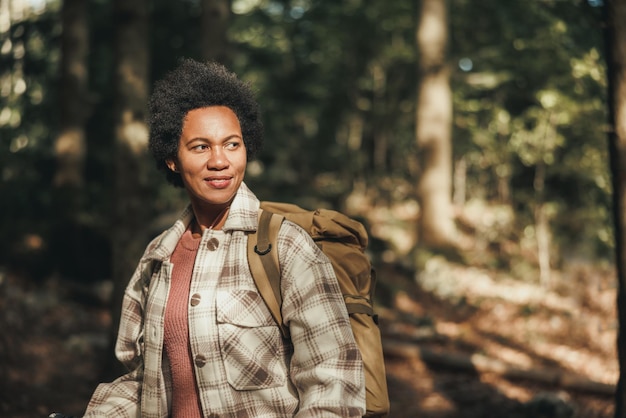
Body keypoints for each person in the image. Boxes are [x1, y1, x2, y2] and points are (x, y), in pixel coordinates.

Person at [69, 58, 365, 417]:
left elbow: (334, 385)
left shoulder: (286, 247)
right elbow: (142, 382)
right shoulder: (157, 258)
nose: (220, 161)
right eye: (200, 147)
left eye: (232, 144)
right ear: (172, 159)